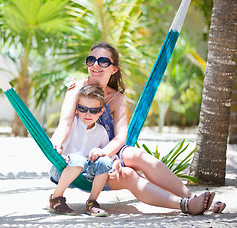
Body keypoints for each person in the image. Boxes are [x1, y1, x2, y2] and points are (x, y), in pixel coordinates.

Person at [51, 41, 226, 215]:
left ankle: (194, 198)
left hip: (107, 150)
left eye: (103, 61)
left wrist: (108, 155)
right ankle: (185, 205)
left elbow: (121, 138)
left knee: (137, 154)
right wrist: (57, 144)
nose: (96, 65)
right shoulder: (76, 89)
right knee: (128, 175)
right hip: (82, 156)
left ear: (114, 69)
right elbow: (65, 123)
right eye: (91, 60)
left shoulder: (117, 98)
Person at [49, 84, 115, 217]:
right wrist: (60, 151)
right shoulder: (70, 124)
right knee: (78, 160)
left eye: (94, 110)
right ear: (77, 109)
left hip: (87, 175)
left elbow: (107, 157)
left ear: (101, 111)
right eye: (83, 109)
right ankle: (56, 198)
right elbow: (57, 139)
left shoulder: (101, 131)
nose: (88, 114)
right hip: (62, 169)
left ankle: (92, 202)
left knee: (106, 161)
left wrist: (100, 152)